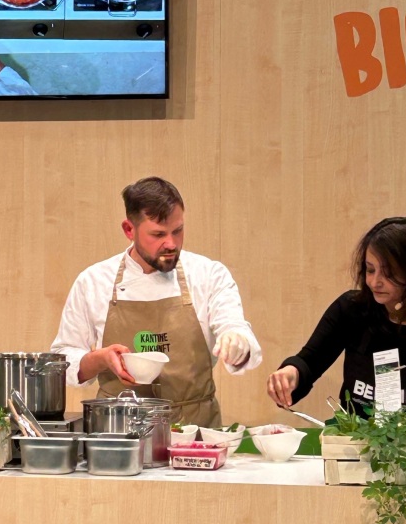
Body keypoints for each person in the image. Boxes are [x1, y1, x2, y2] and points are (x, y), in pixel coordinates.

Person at [52, 177, 261, 427]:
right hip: (119, 434)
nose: (171, 244)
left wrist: (237, 342)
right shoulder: (94, 281)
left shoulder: (208, 275)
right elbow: (63, 359)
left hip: (195, 434)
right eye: (158, 234)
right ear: (129, 230)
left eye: (178, 230)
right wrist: (101, 359)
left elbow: (233, 326)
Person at [267, 216, 406, 415]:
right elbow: (309, 362)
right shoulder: (351, 310)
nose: (375, 282)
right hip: (356, 443)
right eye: (370, 270)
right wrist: (290, 374)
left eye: (388, 273)